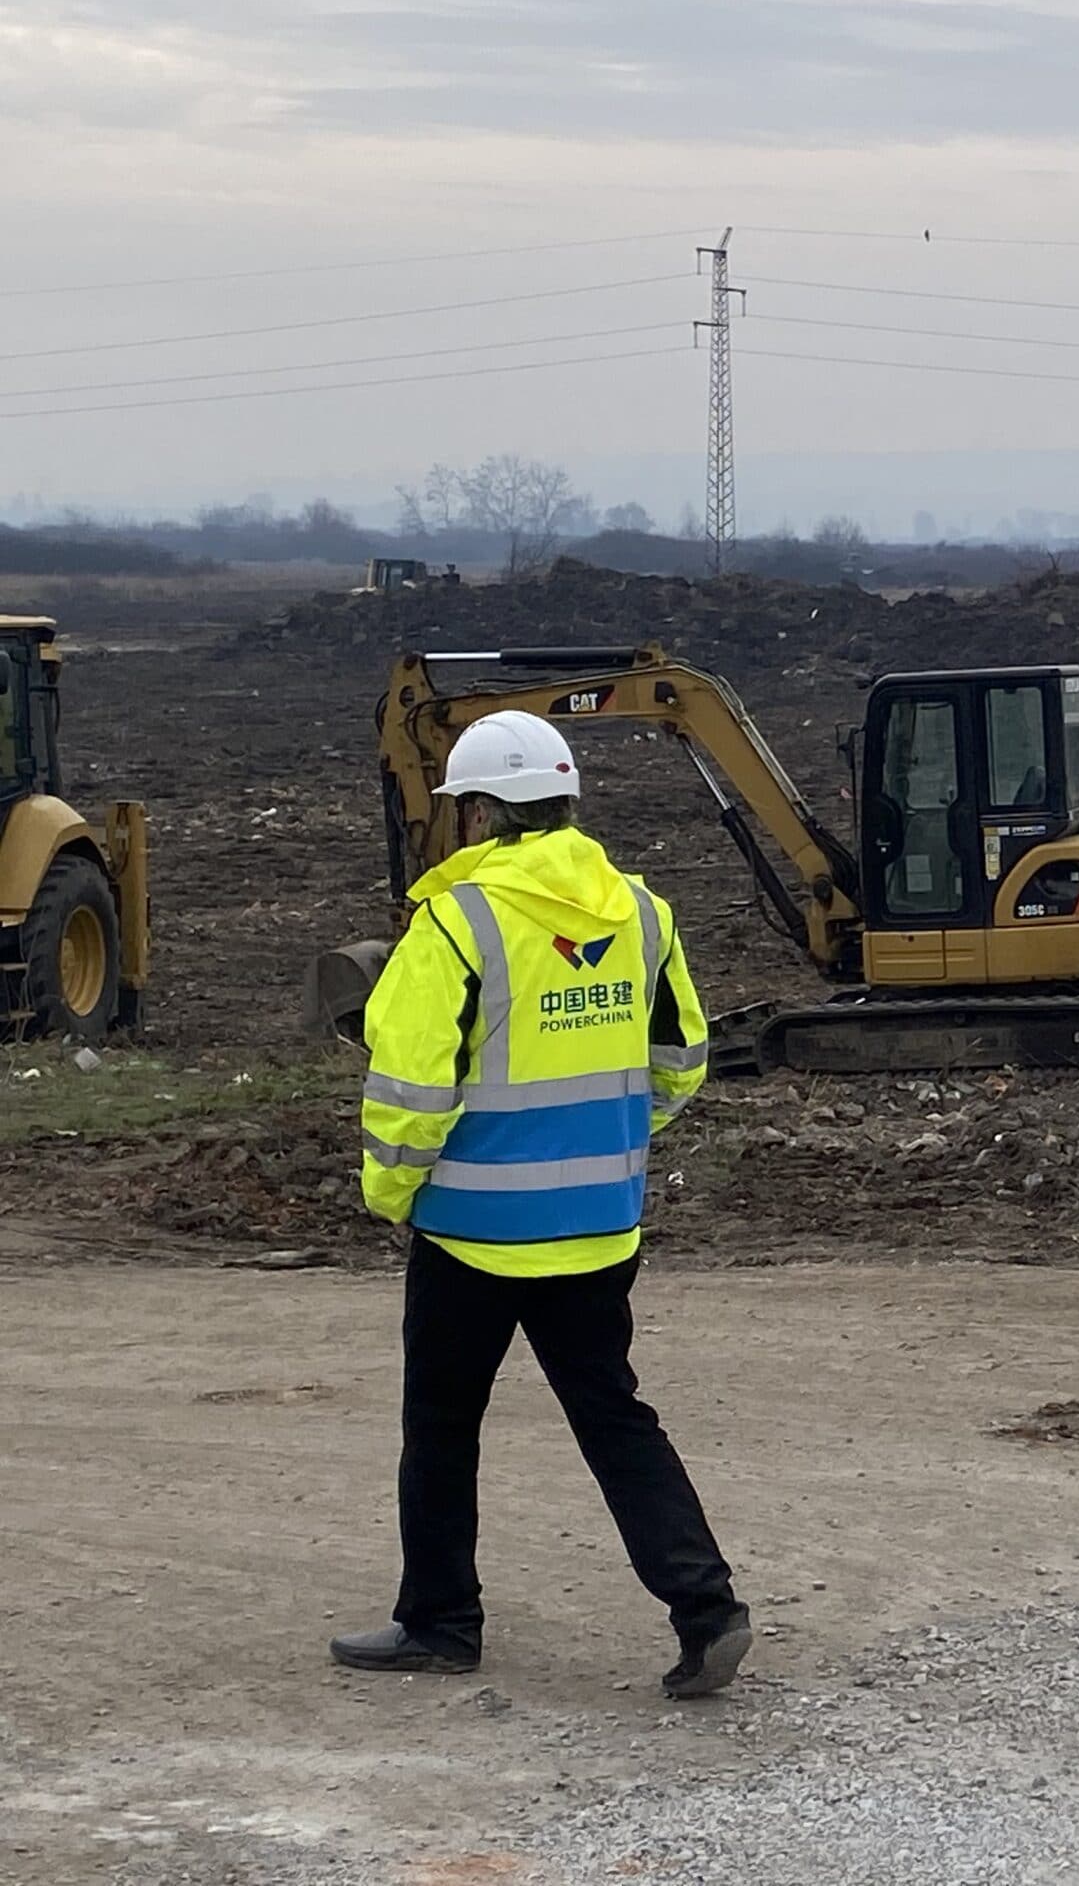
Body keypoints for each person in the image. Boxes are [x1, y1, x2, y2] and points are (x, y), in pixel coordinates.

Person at [330, 710, 751, 1699]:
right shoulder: (640, 911)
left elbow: (412, 1086)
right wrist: (607, 1141)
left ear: (480, 812)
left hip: (472, 1232)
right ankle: (707, 1608)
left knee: (441, 1423)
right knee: (615, 1418)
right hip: (601, 1227)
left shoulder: (458, 922)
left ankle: (439, 1622)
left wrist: (389, 1193)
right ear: (563, 803)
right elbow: (683, 1063)